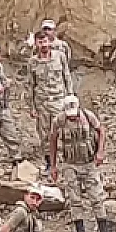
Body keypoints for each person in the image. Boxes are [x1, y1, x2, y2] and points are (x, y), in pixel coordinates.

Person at [49, 95, 110, 232]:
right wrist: (53, 165)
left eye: (74, 115)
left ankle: (104, 231)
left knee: (96, 197)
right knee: (75, 200)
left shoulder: (88, 116)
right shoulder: (59, 121)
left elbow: (101, 130)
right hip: (70, 164)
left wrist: (100, 151)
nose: (73, 118)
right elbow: (53, 141)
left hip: (89, 163)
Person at [30, 30, 74, 172]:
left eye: (46, 41)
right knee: (45, 135)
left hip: (58, 101)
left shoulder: (60, 57)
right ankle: (50, 162)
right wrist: (32, 107)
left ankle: (66, 160)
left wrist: (71, 98)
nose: (44, 44)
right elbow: (31, 85)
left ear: (50, 42)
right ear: (36, 43)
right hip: (42, 103)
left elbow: (67, 77)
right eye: (40, 42)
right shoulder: (33, 62)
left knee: (63, 132)